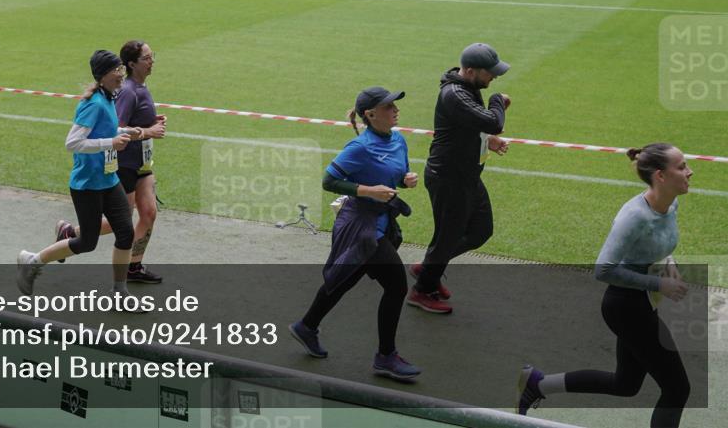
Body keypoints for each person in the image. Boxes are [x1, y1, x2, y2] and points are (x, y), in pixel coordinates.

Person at [516, 144, 693, 428]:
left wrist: (668, 264)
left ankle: (538, 383)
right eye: (682, 166)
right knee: (677, 388)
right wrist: (659, 282)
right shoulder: (634, 217)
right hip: (625, 307)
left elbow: (659, 244)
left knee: (625, 384)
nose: (690, 171)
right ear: (660, 176)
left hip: (644, 302)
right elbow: (603, 269)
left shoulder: (671, 204)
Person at [289, 87, 421, 382]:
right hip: (362, 227)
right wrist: (367, 191)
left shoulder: (398, 139)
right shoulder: (360, 147)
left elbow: (394, 173)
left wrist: (405, 179)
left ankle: (306, 326)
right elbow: (328, 180)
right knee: (397, 286)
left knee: (346, 278)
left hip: (382, 222)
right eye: (389, 106)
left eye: (395, 105)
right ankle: (386, 357)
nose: (396, 109)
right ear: (371, 115)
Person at [16, 50, 146, 305]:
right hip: (88, 185)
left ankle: (119, 292)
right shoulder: (93, 103)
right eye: (116, 70)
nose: (121, 74)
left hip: (108, 180)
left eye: (121, 69)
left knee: (125, 233)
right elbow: (72, 142)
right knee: (87, 242)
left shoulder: (109, 97)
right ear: (103, 75)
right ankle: (32, 261)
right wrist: (111, 142)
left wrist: (125, 131)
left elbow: (104, 129)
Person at [408, 42, 510, 314]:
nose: (494, 77)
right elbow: (492, 120)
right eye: (490, 72)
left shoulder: (468, 88)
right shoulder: (454, 94)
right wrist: (498, 101)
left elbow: (474, 127)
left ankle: (429, 268)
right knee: (447, 237)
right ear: (470, 70)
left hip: (465, 176)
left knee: (480, 230)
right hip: (449, 178)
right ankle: (421, 290)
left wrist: (489, 141)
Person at [54, 40, 166, 283]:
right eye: (146, 58)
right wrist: (147, 132)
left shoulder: (135, 88)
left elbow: (121, 125)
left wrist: (147, 124)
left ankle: (131, 269)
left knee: (146, 214)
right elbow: (113, 130)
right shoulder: (123, 92)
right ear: (131, 63)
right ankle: (65, 237)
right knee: (117, 225)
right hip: (121, 164)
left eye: (151, 56)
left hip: (141, 164)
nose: (152, 61)